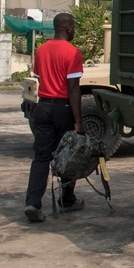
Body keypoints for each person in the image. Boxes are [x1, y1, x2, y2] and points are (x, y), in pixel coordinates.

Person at [24, 12, 86, 223]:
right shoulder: (73, 53)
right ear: (68, 28)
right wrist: (78, 120)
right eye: (74, 27)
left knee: (41, 157)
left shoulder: (42, 50)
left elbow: (35, 82)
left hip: (43, 107)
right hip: (63, 108)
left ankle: (33, 203)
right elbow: (73, 88)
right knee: (69, 155)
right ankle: (67, 200)